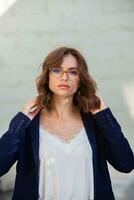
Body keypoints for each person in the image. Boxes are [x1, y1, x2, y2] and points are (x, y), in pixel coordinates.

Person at [0, 46, 134, 200]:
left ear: (80, 79)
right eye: (57, 70)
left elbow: (126, 164)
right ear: (47, 76)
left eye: (72, 71)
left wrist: (104, 116)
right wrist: (21, 119)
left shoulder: (95, 122)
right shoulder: (28, 124)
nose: (64, 77)